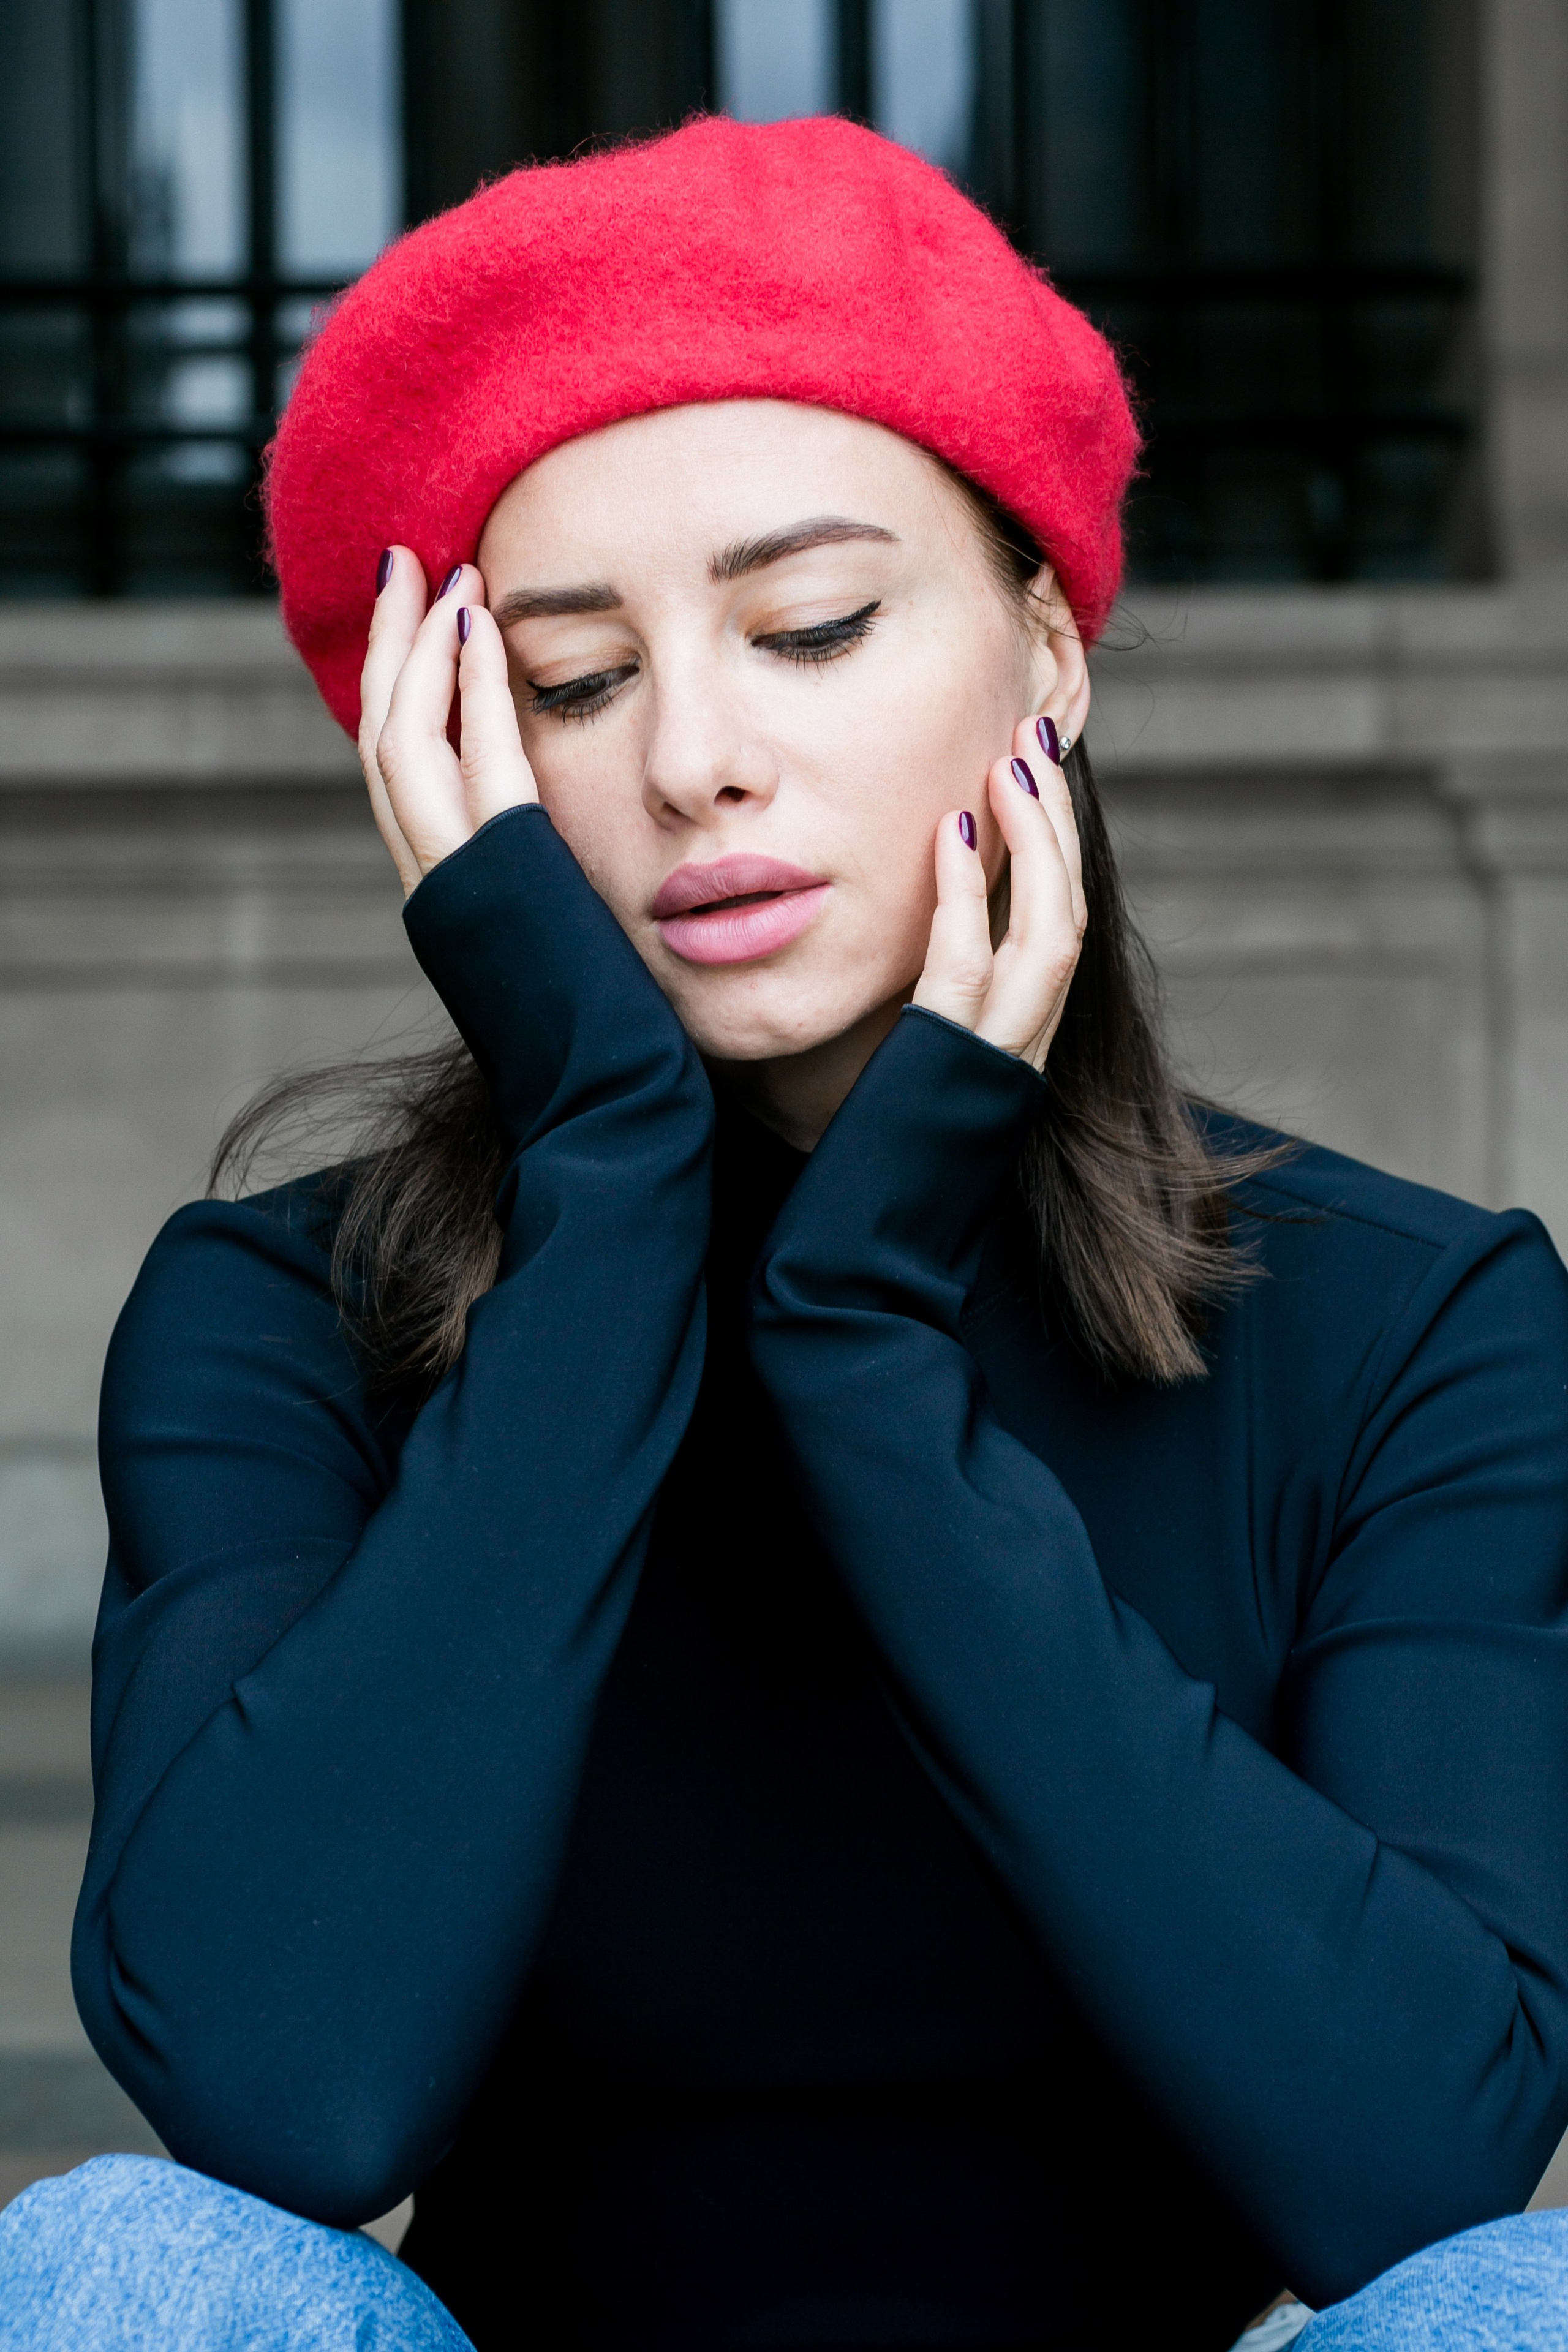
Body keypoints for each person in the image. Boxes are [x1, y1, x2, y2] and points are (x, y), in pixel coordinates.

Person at [2, 113, 1567, 2352]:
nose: (696, 759)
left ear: (1047, 651)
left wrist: (859, 1342)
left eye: (809, 625)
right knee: (122, 2278)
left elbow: (1422, 2172)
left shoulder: (1413, 1327)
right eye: (572, 679)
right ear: (456, 751)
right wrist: (615, 1187)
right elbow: (281, 2093)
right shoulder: (279, 1319)